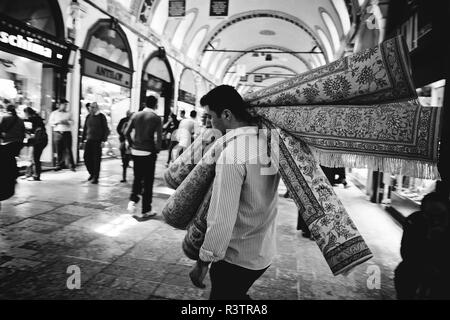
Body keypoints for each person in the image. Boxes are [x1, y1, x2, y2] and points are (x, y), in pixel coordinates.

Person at [189, 85, 281, 300]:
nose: (210, 123)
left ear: (226, 114)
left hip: (236, 258)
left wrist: (204, 261)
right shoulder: (268, 143)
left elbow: (222, 216)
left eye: (210, 116)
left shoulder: (233, 154)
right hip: (263, 250)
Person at [394, 192, 450, 299]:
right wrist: (428, 240)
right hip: (418, 264)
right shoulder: (414, 221)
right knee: (403, 272)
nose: (435, 220)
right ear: (423, 213)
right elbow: (406, 253)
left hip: (444, 269)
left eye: (441, 215)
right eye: (430, 215)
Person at [125, 95, 162, 220]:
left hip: (135, 152)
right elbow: (159, 138)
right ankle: (146, 210)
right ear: (155, 104)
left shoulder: (136, 115)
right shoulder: (156, 118)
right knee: (148, 181)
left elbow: (126, 132)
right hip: (148, 153)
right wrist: (156, 150)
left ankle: (132, 201)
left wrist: (131, 145)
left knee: (137, 178)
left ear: (145, 103)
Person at [0, 104, 25, 202]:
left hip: (8, 143)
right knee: (11, 159)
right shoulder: (20, 119)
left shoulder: (5, 118)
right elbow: (23, 132)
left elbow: (1, 130)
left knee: (7, 158)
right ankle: (13, 173)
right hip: (18, 143)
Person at [81, 102, 110, 184]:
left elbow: (106, 130)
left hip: (98, 141)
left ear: (96, 108)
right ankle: (92, 173)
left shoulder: (101, 117)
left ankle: (95, 177)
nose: (90, 109)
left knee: (96, 160)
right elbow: (85, 129)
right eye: (90, 108)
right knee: (86, 158)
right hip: (89, 140)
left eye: (92, 107)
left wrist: (104, 140)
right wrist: (82, 140)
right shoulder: (88, 117)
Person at [49, 99, 76, 171]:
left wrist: (67, 122)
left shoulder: (69, 113)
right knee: (58, 149)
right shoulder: (54, 113)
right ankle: (59, 165)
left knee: (68, 149)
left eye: (66, 105)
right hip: (57, 132)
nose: (65, 106)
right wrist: (58, 122)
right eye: (64, 104)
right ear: (59, 105)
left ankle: (71, 165)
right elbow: (50, 123)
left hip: (66, 132)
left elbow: (73, 122)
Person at [23, 107, 48, 181]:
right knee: (35, 157)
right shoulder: (37, 118)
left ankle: (36, 175)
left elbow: (28, 124)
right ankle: (33, 174)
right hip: (42, 140)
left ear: (27, 113)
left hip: (39, 140)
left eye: (25, 113)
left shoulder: (33, 118)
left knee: (36, 158)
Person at [117, 110, 133, 183]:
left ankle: (124, 177)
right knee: (125, 160)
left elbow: (121, 131)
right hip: (127, 143)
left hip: (126, 143)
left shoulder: (126, 122)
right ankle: (124, 177)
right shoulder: (127, 122)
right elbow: (121, 130)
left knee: (125, 160)